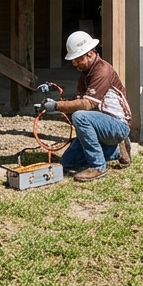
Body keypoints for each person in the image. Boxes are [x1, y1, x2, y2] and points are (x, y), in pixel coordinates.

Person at [40, 31, 131, 182]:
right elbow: (78, 101)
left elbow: (87, 104)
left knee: (80, 116)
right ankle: (117, 150)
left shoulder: (103, 70)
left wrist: (56, 106)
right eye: (73, 60)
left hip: (118, 124)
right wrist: (55, 100)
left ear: (90, 53)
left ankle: (98, 166)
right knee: (67, 163)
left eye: (77, 59)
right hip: (101, 125)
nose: (74, 63)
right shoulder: (85, 73)